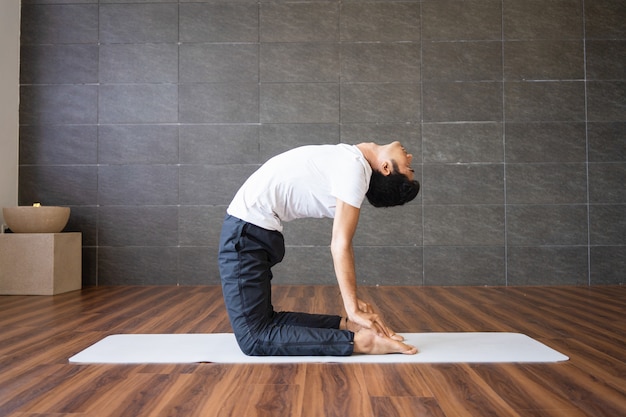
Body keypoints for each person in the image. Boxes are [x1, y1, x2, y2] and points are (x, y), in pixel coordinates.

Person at [218, 141, 420, 356]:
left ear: (386, 168)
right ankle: (349, 328)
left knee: (254, 338)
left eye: (408, 168)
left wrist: (353, 308)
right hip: (253, 231)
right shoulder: (351, 163)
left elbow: (340, 243)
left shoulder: (353, 169)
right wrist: (351, 316)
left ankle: (363, 343)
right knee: (265, 323)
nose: (410, 158)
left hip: (246, 232)